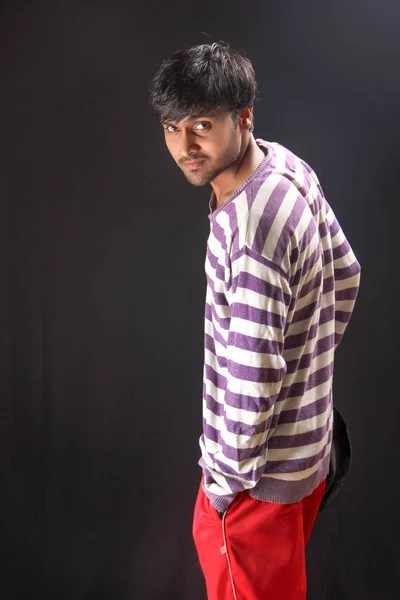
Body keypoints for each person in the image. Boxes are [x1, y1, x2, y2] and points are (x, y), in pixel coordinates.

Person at [149, 41, 361, 600]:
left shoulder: (250, 234)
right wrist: (306, 384)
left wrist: (222, 488)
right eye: (172, 127)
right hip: (306, 455)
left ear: (243, 117)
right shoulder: (286, 165)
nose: (185, 146)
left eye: (201, 125)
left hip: (254, 490)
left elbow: (250, 387)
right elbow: (347, 273)